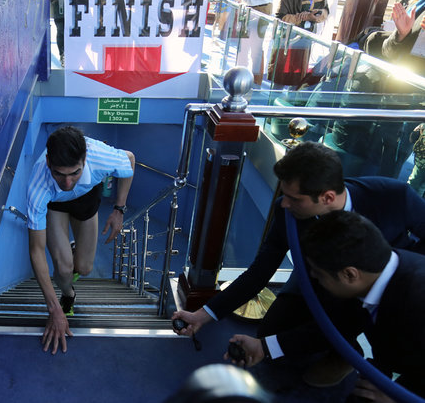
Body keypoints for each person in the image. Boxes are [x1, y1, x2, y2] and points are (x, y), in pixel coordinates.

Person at [172, 141, 425, 385]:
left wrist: (406, 273)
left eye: (294, 198)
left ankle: (344, 350)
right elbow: (260, 270)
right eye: (283, 194)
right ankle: (338, 342)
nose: (284, 203)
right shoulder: (290, 212)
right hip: (314, 278)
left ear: (326, 197)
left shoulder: (392, 197)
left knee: (392, 345)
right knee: (272, 332)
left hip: (385, 291)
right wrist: (202, 315)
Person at [225, 211, 425, 400]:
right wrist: (263, 347)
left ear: (349, 274)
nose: (312, 277)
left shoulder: (417, 302)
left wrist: (400, 398)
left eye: (319, 273)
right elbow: (334, 326)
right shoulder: (376, 272)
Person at [27, 126, 135, 354]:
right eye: (59, 174)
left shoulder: (100, 156)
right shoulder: (38, 185)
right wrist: (54, 308)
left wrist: (119, 209)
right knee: (64, 270)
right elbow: (36, 250)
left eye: (74, 173)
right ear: (48, 163)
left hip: (87, 198)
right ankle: (68, 296)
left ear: (85, 160)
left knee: (84, 268)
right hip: (55, 205)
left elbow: (129, 161)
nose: (67, 183)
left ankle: (73, 249)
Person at [269, 0, 329, 86]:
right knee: (281, 75)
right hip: (288, 39)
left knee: (298, 75)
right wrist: (302, 17)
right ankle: (274, 97)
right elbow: (281, 17)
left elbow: (325, 10)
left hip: (306, 38)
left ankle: (290, 97)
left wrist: (317, 14)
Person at [235, 0, 274, 85]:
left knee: (256, 48)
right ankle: (239, 79)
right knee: (242, 48)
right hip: (246, 5)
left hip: (262, 6)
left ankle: (256, 84)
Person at [408, 123, 425, 196]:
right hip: (421, 162)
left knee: (412, 185)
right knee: (420, 188)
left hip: (421, 163)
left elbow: (412, 138)